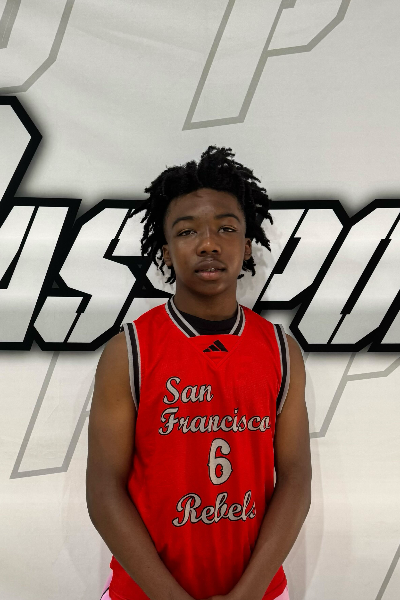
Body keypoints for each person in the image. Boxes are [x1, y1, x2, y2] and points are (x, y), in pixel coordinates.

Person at [86, 146, 312, 600]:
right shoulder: (129, 351)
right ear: (166, 252)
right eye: (187, 231)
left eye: (226, 228)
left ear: (246, 245)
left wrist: (247, 594)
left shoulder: (281, 350)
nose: (209, 243)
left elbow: (295, 480)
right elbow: (104, 491)